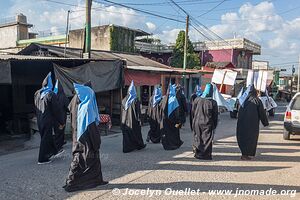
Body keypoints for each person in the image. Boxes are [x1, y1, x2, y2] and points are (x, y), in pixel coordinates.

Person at [64, 83, 108, 192]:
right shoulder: (87, 107)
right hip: (85, 139)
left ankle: (97, 180)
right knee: (80, 159)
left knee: (94, 160)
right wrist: (96, 142)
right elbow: (92, 127)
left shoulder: (79, 103)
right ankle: (71, 183)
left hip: (78, 135)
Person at [34, 72, 65, 164]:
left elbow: (36, 106)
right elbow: (57, 110)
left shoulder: (37, 93)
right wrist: (61, 121)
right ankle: (42, 159)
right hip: (47, 120)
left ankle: (54, 152)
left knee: (47, 136)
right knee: (45, 138)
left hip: (40, 119)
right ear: (50, 84)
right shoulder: (51, 94)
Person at [236, 84, 269, 160]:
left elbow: (236, 110)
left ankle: (244, 153)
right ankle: (246, 154)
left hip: (241, 124)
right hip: (252, 125)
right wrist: (265, 122)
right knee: (251, 139)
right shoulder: (257, 100)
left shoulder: (242, 100)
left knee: (242, 138)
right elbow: (262, 113)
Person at [191, 83, 218, 160]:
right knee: (206, 139)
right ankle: (205, 155)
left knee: (198, 138)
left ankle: (198, 153)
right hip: (207, 123)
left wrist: (193, 121)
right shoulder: (213, 102)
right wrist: (214, 125)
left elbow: (192, 112)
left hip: (197, 122)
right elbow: (215, 116)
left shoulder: (197, 100)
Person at [121, 81, 146, 153]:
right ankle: (139, 145)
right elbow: (139, 112)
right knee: (137, 134)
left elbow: (122, 111)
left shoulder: (124, 100)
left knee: (127, 135)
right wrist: (141, 120)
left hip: (125, 121)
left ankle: (127, 148)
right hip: (134, 121)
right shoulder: (135, 100)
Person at [160, 84, 184, 150]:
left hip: (165, 120)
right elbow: (177, 111)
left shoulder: (164, 98)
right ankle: (174, 143)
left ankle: (167, 144)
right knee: (174, 132)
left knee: (167, 132)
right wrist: (178, 121)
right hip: (173, 121)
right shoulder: (174, 99)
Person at [53, 80, 69, 151]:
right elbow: (67, 106)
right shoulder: (63, 96)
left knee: (57, 130)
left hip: (55, 117)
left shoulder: (53, 95)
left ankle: (60, 142)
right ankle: (59, 145)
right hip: (62, 116)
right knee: (61, 129)